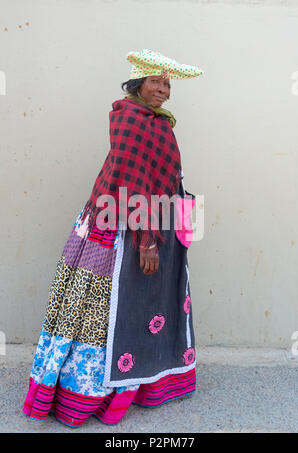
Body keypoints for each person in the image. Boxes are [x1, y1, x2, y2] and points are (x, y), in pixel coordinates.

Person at [22, 49, 203, 428]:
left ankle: (139, 386)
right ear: (138, 83)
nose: (164, 89)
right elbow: (132, 180)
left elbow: (162, 176)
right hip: (121, 227)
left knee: (146, 304)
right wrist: (147, 241)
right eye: (156, 81)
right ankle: (86, 395)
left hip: (153, 221)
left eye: (168, 83)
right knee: (104, 308)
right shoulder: (130, 119)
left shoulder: (159, 123)